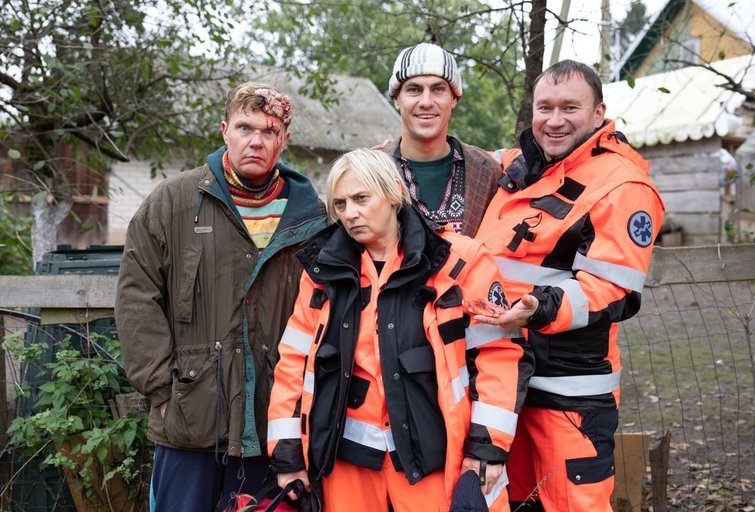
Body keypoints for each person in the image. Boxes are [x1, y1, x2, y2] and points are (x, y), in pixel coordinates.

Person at [266, 149, 534, 512]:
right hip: (344, 465)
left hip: (434, 462)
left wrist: (486, 450)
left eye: (361, 198)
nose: (350, 213)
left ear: (393, 192)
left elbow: (499, 356)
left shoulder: (457, 261)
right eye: (341, 203)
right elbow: (292, 366)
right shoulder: (322, 272)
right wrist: (287, 456)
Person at [115, 82, 327, 512]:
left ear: (284, 140)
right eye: (245, 127)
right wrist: (161, 392)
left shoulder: (312, 217)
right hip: (191, 419)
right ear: (224, 130)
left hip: (277, 422)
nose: (256, 140)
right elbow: (137, 297)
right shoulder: (173, 203)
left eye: (269, 132)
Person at [473, 60, 666, 511]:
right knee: (513, 502)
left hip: (568, 393)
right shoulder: (517, 166)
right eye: (545, 107)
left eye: (569, 108)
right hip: (500, 383)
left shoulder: (624, 185)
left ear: (598, 114)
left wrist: (538, 307)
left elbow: (610, 290)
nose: (554, 120)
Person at [381, 42, 501, 238]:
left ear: (454, 98)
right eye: (414, 89)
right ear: (396, 99)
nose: (426, 102)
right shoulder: (371, 171)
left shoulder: (487, 172)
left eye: (438, 90)